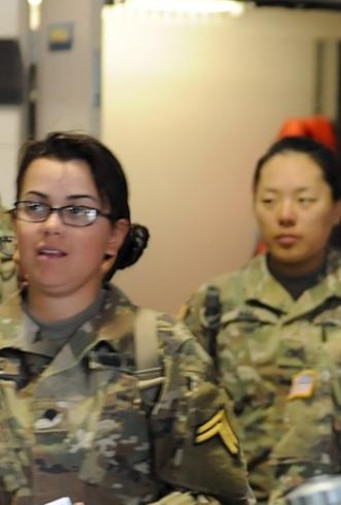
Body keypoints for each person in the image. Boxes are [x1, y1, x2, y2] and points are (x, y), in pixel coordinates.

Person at [0, 132, 252, 504]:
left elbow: (224, 497)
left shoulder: (164, 354)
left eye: (78, 211)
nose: (51, 225)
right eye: (35, 207)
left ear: (115, 237)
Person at [179, 136, 341, 503]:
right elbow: (184, 416)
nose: (285, 215)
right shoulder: (216, 302)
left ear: (337, 210)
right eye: (269, 200)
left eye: (304, 200)